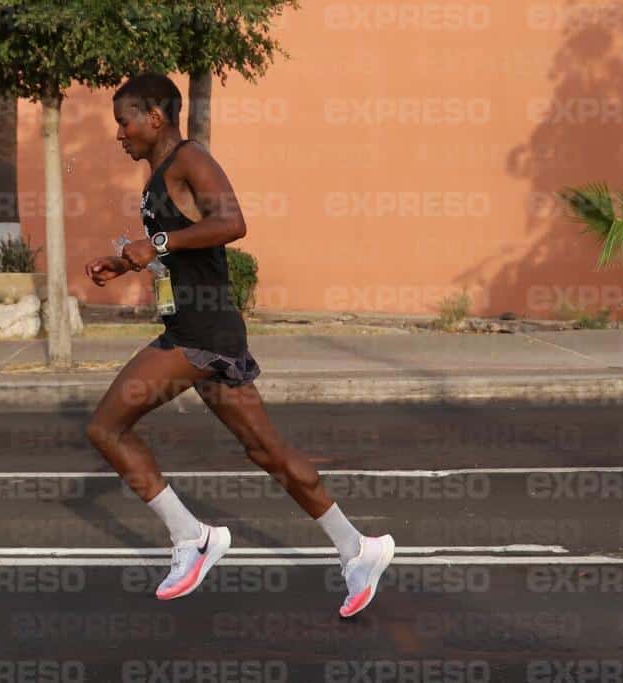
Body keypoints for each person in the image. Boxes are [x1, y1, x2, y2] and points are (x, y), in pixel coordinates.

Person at [84, 72, 394, 617]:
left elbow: (233, 222)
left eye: (123, 121)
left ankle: (193, 538)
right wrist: (130, 259)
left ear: (154, 117)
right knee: (265, 451)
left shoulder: (189, 158)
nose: (119, 134)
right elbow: (184, 251)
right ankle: (358, 548)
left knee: (106, 427)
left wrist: (155, 241)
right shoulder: (159, 175)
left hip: (200, 333)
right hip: (206, 327)